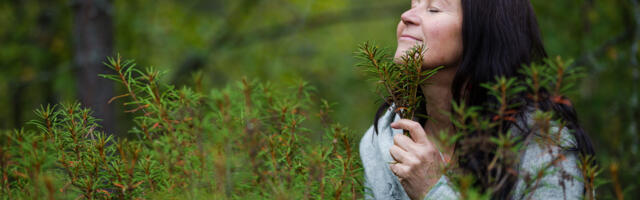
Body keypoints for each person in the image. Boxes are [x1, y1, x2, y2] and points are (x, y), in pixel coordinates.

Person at [358, 0, 596, 199]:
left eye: (434, 8)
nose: (407, 16)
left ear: (484, 31)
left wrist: (433, 189)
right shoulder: (382, 138)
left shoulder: (543, 146)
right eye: (414, 3)